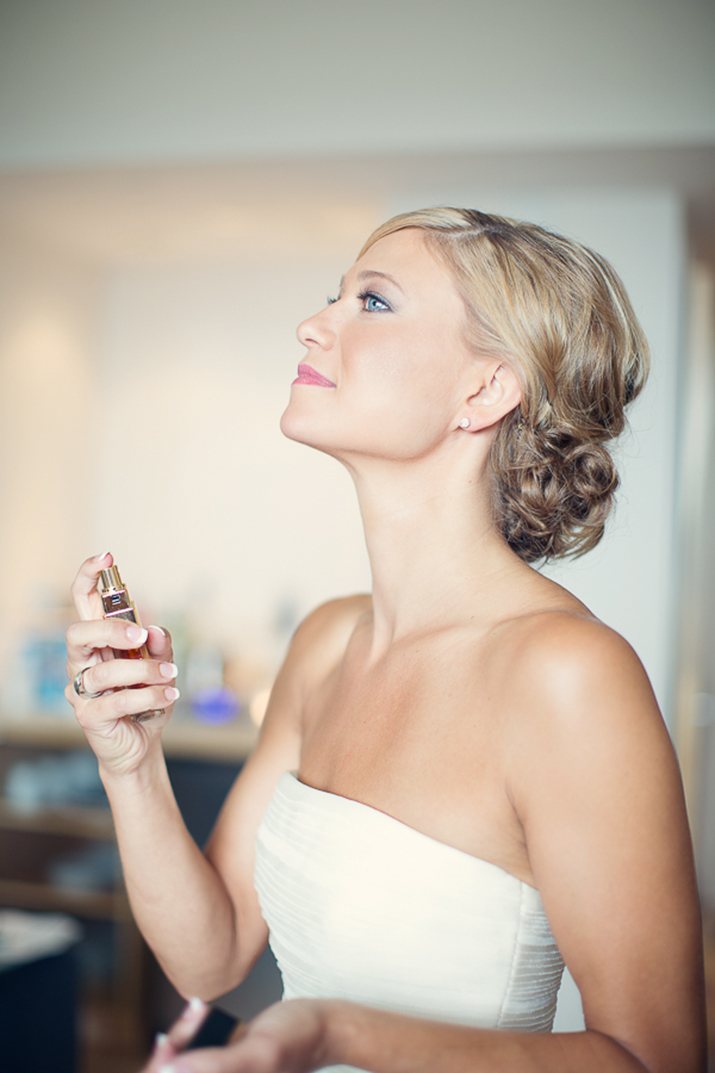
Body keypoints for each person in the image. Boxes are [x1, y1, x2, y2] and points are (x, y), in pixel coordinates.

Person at [66, 208, 706, 1073]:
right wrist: (130, 761)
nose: (313, 321)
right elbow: (210, 958)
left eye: (371, 302)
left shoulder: (567, 675)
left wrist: (336, 1033)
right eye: (333, 294)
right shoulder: (328, 642)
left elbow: (654, 1058)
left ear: (484, 391)